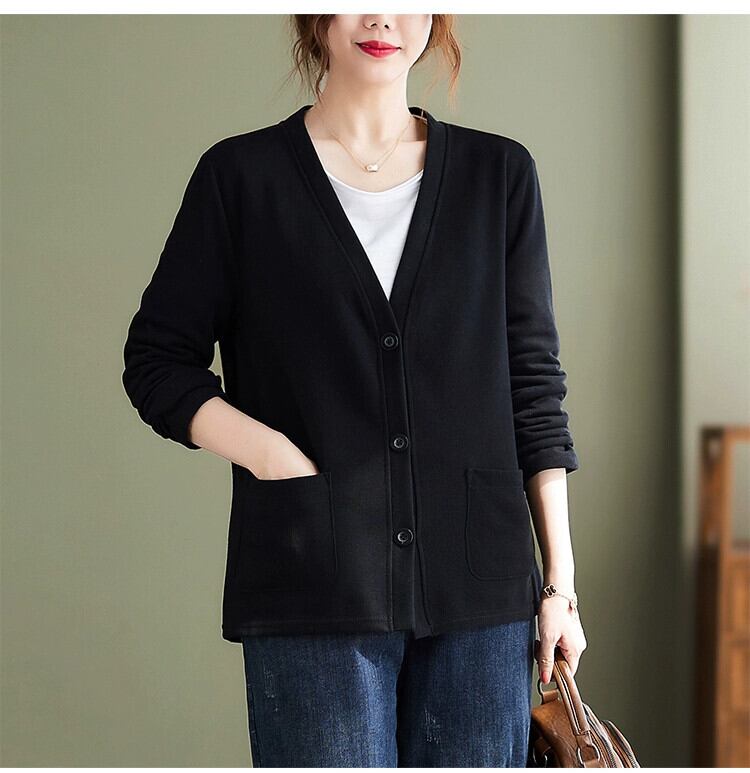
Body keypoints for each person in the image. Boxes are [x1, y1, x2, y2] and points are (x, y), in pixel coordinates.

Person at [122, 13, 587, 767]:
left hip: (483, 598)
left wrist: (559, 584)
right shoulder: (240, 178)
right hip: (313, 580)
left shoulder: (498, 176)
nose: (380, 16)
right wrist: (270, 454)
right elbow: (156, 360)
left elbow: (533, 385)